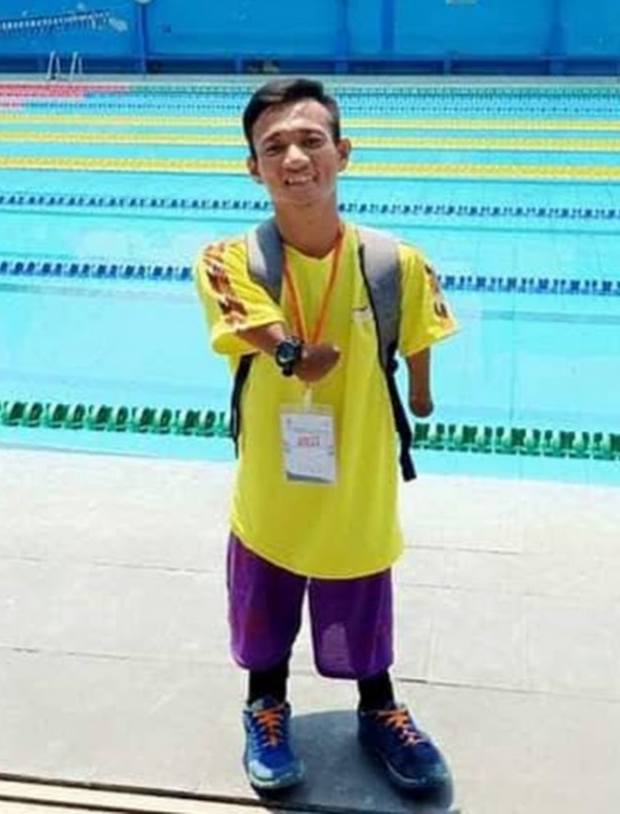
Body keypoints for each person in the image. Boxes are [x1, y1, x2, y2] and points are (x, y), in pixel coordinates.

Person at [194, 78, 457, 795]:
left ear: (343, 152)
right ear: (253, 167)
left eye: (311, 141)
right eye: (274, 146)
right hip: (273, 480)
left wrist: (422, 390)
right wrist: (292, 354)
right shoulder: (228, 260)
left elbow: (423, 325)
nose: (295, 158)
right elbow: (249, 323)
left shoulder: (394, 261)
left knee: (362, 591)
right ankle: (264, 704)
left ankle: (380, 707)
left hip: (360, 473)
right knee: (265, 599)